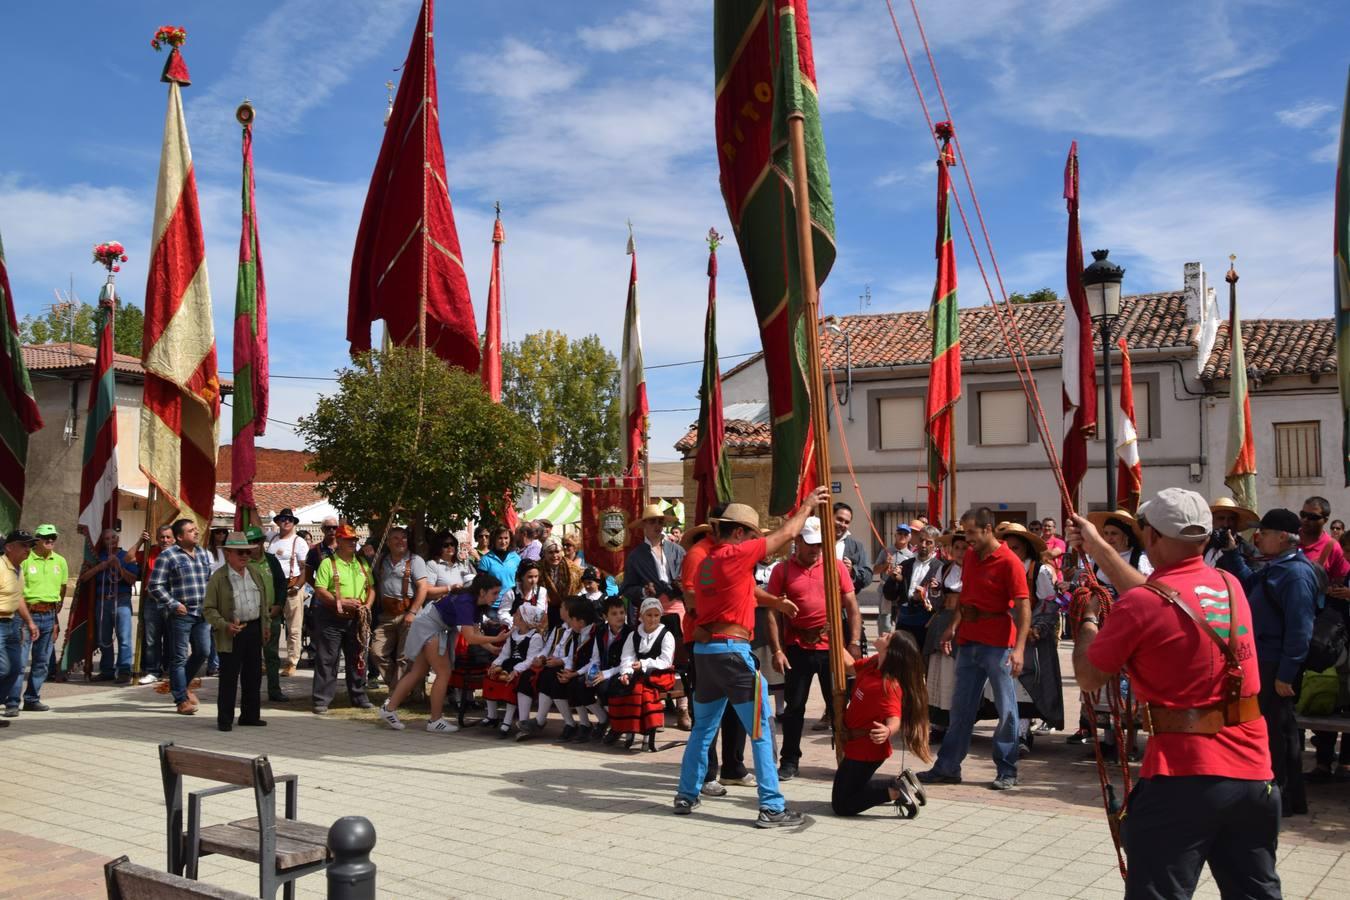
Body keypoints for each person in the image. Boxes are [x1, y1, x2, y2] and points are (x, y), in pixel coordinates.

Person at [1069, 487, 1278, 899]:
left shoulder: (1141, 606)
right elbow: (1159, 595)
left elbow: (1090, 676)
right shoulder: (1228, 583)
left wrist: (1089, 620)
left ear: (1152, 537)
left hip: (1186, 775)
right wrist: (1098, 547)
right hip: (1254, 774)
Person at [673, 486, 828, 827]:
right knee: (761, 727)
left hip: (707, 654)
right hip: (732, 653)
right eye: (754, 535)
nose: (757, 541)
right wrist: (807, 505)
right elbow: (787, 533)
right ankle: (772, 807)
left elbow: (744, 590)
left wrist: (776, 602)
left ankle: (686, 794)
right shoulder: (735, 554)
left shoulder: (709, 563)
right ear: (740, 533)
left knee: (702, 729)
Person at [918, 507, 1030, 791]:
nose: (967, 539)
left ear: (987, 529)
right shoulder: (970, 556)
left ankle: (1007, 769)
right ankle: (948, 767)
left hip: (999, 644)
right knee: (960, 709)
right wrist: (953, 626)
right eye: (964, 532)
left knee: (1006, 709)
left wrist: (1019, 649)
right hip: (968, 641)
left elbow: (1023, 605)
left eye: (971, 532)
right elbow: (966, 597)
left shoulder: (1009, 562)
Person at [1217, 507, 1318, 817]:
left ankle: (1282, 798)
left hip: (1277, 665)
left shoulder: (1296, 574)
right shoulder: (1277, 567)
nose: (1258, 537)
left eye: (1266, 533)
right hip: (1265, 662)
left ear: (1285, 538)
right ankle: (1282, 797)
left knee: (1279, 733)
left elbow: (1300, 630)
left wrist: (1286, 674)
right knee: (1276, 730)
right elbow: (1249, 586)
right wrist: (1234, 555)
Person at [769, 516, 858, 781]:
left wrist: (852, 643)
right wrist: (777, 650)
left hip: (830, 646)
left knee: (839, 706)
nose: (815, 549)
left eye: (819, 544)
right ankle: (790, 760)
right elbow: (772, 613)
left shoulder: (836, 567)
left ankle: (846, 758)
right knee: (794, 707)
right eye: (810, 544)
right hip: (797, 646)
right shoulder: (781, 570)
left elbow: (852, 606)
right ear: (797, 541)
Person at [379, 572, 506, 735]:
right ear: (482, 592)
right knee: (443, 673)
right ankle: (435, 720)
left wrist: (492, 648)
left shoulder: (474, 603)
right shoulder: (467, 602)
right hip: (431, 628)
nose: (497, 596)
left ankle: (389, 709)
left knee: (418, 672)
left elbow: (475, 632)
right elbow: (470, 638)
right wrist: (496, 638)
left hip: (428, 625)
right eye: (494, 593)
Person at [830, 630, 932, 816]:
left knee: (842, 805)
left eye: (888, 637)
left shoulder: (889, 685)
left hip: (867, 750)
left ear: (891, 650)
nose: (884, 633)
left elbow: (895, 718)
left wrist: (887, 730)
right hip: (856, 746)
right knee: (849, 792)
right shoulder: (874, 662)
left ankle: (895, 790)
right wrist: (831, 635)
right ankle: (901, 783)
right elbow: (849, 666)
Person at [680, 518, 750, 788]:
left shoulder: (726, 553)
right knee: (707, 713)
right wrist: (713, 620)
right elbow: (691, 598)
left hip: (732, 638)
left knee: (735, 706)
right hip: (708, 640)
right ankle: (707, 774)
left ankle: (733, 766)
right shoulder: (699, 555)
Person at [997, 522, 1065, 752]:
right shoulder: (1001, 568)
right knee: (1007, 684)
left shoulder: (1039, 570)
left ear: (1025, 547)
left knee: (1026, 684)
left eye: (1015, 547)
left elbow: (1049, 602)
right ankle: (1008, 731)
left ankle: (1023, 734)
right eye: (1007, 547)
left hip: (1031, 636)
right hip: (1004, 634)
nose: (1011, 551)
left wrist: (1037, 629)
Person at [146, 519, 216, 715]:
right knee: (178, 658)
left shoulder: (202, 553)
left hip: (202, 613)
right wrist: (174, 604)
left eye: (196, 529)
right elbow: (155, 585)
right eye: (191, 531)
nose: (196, 533)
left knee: (203, 651)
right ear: (179, 537)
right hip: (180, 615)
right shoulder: (168, 556)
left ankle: (181, 685)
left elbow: (209, 580)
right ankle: (181, 700)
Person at [203, 533, 270, 732]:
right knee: (229, 677)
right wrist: (224, 625)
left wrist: (265, 625)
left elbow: (263, 602)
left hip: (254, 628)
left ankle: (250, 716)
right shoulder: (219, 577)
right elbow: (208, 609)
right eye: (240, 552)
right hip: (231, 632)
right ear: (229, 553)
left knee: (253, 675)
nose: (245, 556)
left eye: (247, 552)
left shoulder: (254, 572)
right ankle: (225, 719)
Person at [310, 524, 375, 715]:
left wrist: (367, 607)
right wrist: (340, 602)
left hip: (357, 618)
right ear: (338, 541)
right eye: (348, 540)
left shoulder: (362, 564)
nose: (352, 543)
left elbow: (371, 589)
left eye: (354, 540)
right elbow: (320, 590)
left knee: (357, 658)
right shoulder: (327, 564)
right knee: (327, 659)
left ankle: (358, 695)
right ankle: (322, 699)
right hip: (331, 617)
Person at [602, 597, 678, 752]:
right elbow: (627, 657)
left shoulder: (666, 635)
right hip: (637, 673)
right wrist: (625, 673)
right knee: (619, 686)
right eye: (648, 615)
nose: (652, 619)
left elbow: (665, 661)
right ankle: (625, 728)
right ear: (641, 616)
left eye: (656, 615)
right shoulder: (634, 635)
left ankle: (645, 731)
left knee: (640, 691)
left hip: (659, 673)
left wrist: (643, 664)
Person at [13, 525, 71, 718]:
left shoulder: (60, 561)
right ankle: (12, 702)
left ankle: (32, 699)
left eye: (53, 536)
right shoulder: (25, 560)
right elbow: (17, 591)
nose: (50, 540)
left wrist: (55, 618)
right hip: (26, 615)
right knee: (20, 662)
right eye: (46, 537)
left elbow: (62, 591)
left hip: (48, 615)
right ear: (36, 539)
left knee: (42, 662)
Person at [533, 595, 605, 741]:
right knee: (559, 680)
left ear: (580, 622)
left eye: (572, 620)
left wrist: (574, 673)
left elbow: (595, 661)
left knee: (579, 684)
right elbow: (572, 656)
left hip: (594, 670)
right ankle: (582, 724)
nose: (569, 623)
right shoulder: (576, 632)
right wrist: (568, 670)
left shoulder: (595, 634)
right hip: (578, 671)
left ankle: (603, 719)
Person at [74, 527, 138, 691]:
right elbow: (84, 577)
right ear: (103, 542)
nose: (111, 541)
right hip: (102, 601)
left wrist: (118, 567)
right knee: (103, 637)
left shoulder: (127, 556)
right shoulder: (97, 557)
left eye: (113, 538)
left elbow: (132, 580)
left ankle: (124, 670)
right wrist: (101, 567)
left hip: (121, 600)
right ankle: (107, 670)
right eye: (107, 539)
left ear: (118, 539)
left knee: (124, 637)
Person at [371, 526, 428, 694]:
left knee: (404, 658)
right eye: (395, 538)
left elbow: (423, 588)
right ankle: (398, 689)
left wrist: (412, 612)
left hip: (408, 613)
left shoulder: (415, 560)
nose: (400, 541)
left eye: (403, 537)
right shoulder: (381, 560)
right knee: (376, 652)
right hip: (387, 615)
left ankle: (397, 695)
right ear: (387, 542)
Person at [924, 531, 967, 741]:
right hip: (942, 621)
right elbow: (937, 602)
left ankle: (956, 724)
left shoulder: (976, 571)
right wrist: (934, 591)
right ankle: (938, 724)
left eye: (964, 548)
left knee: (955, 674)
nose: (960, 552)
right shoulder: (945, 568)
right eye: (956, 548)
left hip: (964, 624)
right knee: (937, 671)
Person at [484, 602, 546, 736]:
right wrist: (496, 664)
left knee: (511, 685)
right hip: (508, 664)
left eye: (517, 615)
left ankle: (507, 720)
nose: (513, 616)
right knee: (490, 676)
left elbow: (530, 659)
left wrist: (516, 669)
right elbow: (505, 653)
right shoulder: (513, 633)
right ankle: (492, 714)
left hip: (522, 667)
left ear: (525, 619)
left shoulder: (535, 637)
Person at [618, 504, 686, 627]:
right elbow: (627, 589)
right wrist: (644, 591)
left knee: (678, 644)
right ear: (644, 524)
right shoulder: (635, 556)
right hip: (650, 609)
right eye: (652, 521)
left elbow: (687, 576)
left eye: (660, 522)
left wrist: (681, 584)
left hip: (675, 606)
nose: (657, 525)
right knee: (651, 645)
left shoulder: (677, 550)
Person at [244, 526, 290, 703]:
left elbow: (281, 584)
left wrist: (279, 604)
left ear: (262, 542)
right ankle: (251, 692)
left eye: (256, 541)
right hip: (251, 616)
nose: (253, 545)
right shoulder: (244, 562)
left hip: (272, 614)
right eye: (250, 542)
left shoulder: (271, 560)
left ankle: (274, 690)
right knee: (251, 657)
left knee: (272, 655)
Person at [0, 531, 40, 726]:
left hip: (11, 624)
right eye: (24, 545)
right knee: (3, 668)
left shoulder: (19, 569)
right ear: (9, 547)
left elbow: (18, 598)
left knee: (16, 668)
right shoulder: (0, 567)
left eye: (30, 545)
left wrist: (30, 622)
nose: (28, 549)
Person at [267, 509, 309, 676]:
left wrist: (297, 587)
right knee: (271, 625)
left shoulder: (299, 542)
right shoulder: (273, 540)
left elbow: (305, 568)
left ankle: (292, 662)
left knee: (294, 627)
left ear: (294, 522)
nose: (286, 522)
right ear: (278, 522)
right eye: (283, 519)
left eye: (289, 519)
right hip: (273, 587)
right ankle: (271, 660)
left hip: (292, 585)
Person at [886, 526, 942, 652]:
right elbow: (889, 595)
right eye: (921, 540)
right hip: (903, 622)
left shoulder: (940, 568)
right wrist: (894, 579)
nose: (923, 545)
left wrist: (924, 596)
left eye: (928, 542)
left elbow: (941, 600)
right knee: (901, 659)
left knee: (921, 662)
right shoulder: (906, 565)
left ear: (936, 545)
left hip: (925, 624)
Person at [137, 524, 176, 685]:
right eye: (162, 537)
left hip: (171, 602)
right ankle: (153, 671)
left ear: (174, 539)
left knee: (173, 638)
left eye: (168, 537)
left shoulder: (179, 554)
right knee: (152, 639)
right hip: (152, 602)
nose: (165, 540)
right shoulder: (151, 552)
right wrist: (140, 541)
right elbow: (129, 558)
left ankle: (172, 670)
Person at [1085, 509, 1153, 592]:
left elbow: (1147, 590)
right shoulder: (1097, 559)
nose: (1109, 538)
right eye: (1106, 533)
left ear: (1126, 536)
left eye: (1114, 533)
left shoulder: (1139, 559)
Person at [872, 523, 915, 636]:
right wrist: (886, 564)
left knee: (901, 620)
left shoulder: (911, 556)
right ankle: (884, 646)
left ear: (909, 537)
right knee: (885, 620)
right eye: (900, 533)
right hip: (886, 591)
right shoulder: (886, 551)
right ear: (895, 535)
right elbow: (875, 570)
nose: (902, 536)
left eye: (905, 534)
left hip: (901, 592)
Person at [1205, 497, 1259, 567]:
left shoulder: (1249, 551)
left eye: (1231, 519)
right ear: (1212, 521)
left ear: (1236, 522)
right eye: (1221, 518)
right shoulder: (1202, 546)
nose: (1226, 524)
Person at [538, 537, 576, 629]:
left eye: (557, 552)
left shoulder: (573, 569)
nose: (555, 556)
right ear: (544, 553)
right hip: (545, 610)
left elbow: (578, 588)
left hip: (568, 610)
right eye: (550, 552)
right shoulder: (538, 568)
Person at [477, 526, 521, 595]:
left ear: (510, 539)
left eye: (506, 538)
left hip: (511, 601)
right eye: (500, 538)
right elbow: (481, 584)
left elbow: (520, 580)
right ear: (494, 539)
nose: (503, 542)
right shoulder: (486, 559)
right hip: (492, 602)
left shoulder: (516, 558)